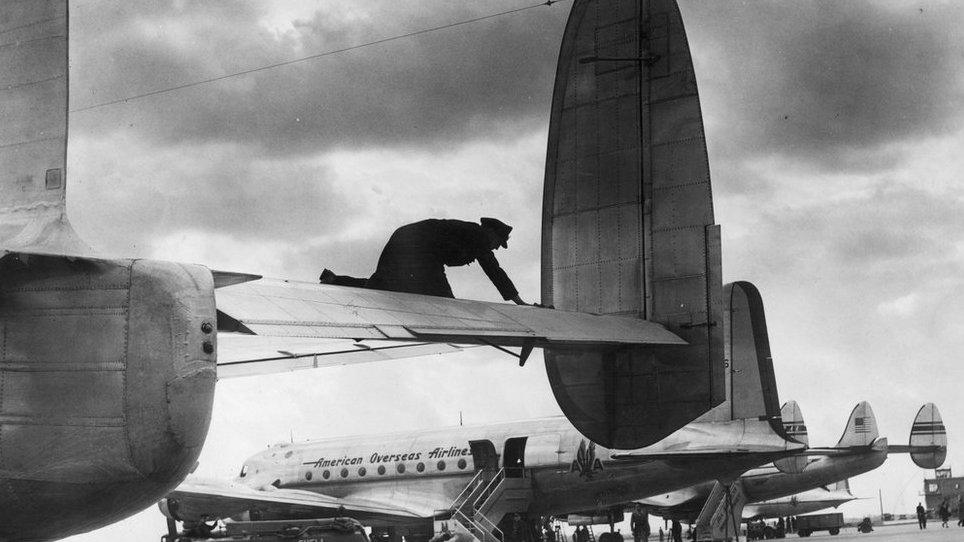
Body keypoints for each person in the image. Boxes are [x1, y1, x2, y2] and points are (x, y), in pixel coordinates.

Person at [321, 217, 528, 304]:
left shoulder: (475, 234)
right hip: (420, 249)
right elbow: (494, 270)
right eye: (499, 242)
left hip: (405, 240)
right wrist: (518, 300)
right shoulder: (479, 236)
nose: (496, 247)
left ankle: (335, 280)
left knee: (385, 285)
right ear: (491, 233)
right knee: (445, 303)